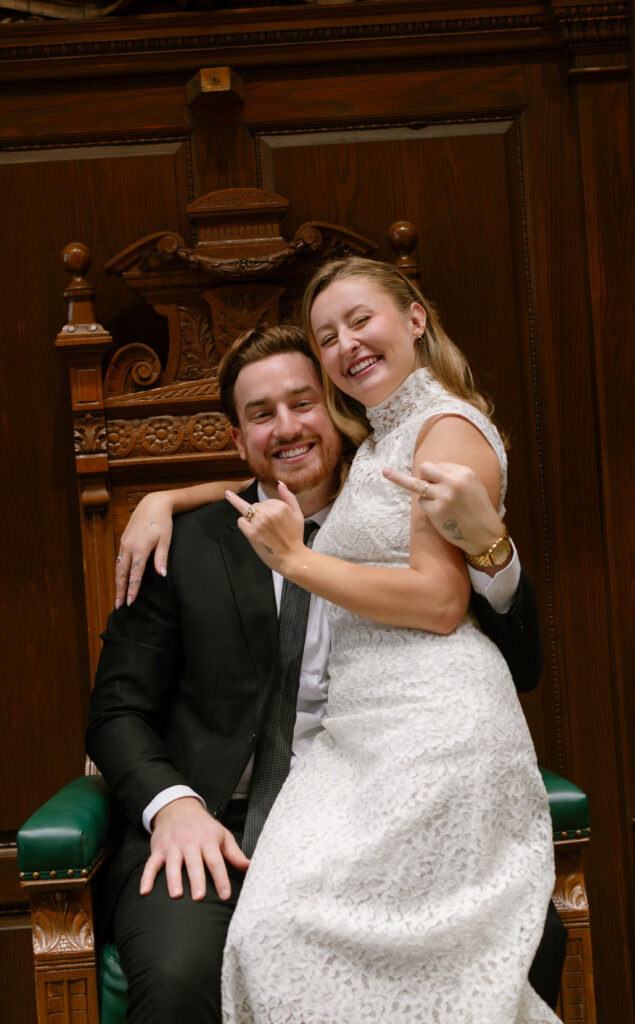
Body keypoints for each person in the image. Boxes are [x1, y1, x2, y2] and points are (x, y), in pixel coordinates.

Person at [90, 324, 561, 1024]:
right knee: (181, 975)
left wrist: (492, 546)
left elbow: (522, 666)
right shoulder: (178, 544)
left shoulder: (401, 525)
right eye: (261, 414)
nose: (286, 427)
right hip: (215, 827)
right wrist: (174, 807)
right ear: (238, 438)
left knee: (529, 941)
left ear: (336, 410)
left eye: (302, 402)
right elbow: (116, 712)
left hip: (374, 819)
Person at [215, 261, 561, 1023]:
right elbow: (284, 467)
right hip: (356, 735)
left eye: (360, 320)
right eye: (326, 336)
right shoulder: (374, 441)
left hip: (432, 721)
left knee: (393, 958)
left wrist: (295, 562)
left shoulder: (445, 427)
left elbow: (439, 602)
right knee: (266, 934)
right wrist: (162, 499)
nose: (345, 344)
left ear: (414, 318)